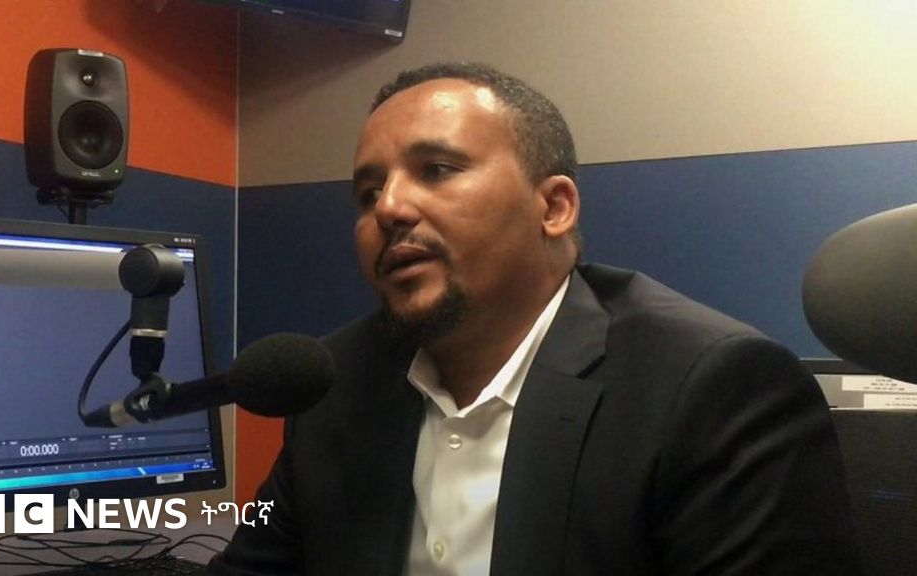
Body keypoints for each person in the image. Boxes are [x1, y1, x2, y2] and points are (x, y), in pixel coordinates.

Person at [208, 62, 863, 575]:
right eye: (368, 191)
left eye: (436, 170)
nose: (389, 208)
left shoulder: (710, 388)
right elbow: (258, 559)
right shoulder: (336, 383)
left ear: (553, 208)